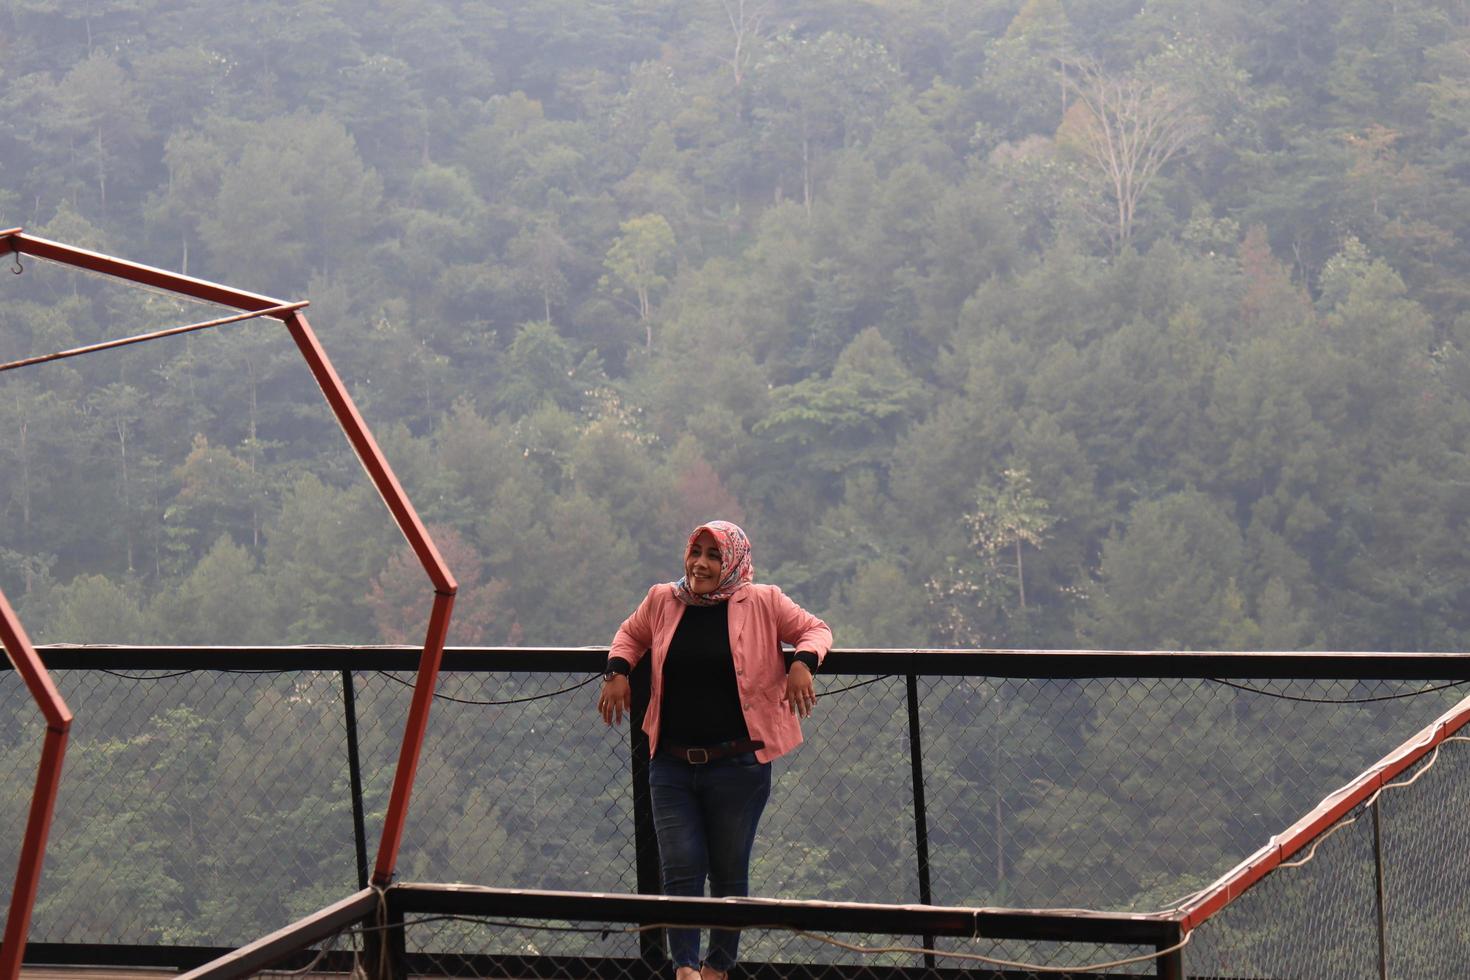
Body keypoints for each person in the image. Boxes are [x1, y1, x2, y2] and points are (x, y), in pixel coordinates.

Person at [598, 520, 832, 980]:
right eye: (696, 552)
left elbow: (816, 630)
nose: (701, 564)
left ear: (733, 562)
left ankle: (717, 968)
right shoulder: (663, 599)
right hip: (670, 761)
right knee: (680, 867)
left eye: (713, 555)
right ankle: (685, 969)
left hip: (739, 765)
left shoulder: (763, 601)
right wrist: (617, 672)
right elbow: (630, 635)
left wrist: (803, 663)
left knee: (728, 872)